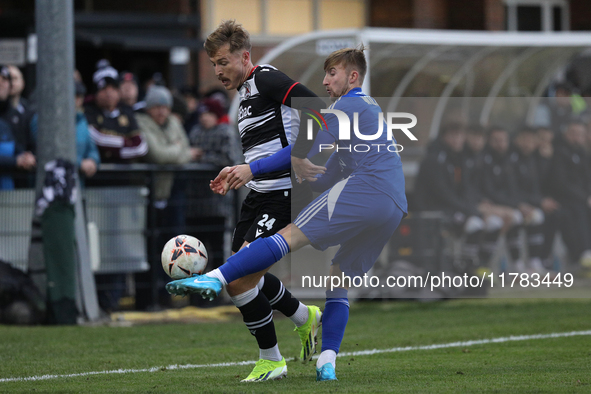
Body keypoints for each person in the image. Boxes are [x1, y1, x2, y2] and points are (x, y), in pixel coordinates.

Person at [167, 46, 408, 382]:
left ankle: (215, 277)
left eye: (332, 73)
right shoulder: (369, 110)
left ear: (353, 77)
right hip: (395, 204)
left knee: (287, 237)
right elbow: (333, 169)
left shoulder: (348, 104)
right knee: (337, 280)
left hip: (367, 189)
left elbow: (306, 142)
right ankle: (327, 361)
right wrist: (312, 174)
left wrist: (254, 168)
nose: (325, 81)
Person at [185, 20, 326, 382]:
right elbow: (263, 151)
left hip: (283, 195)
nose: (217, 71)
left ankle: (272, 360)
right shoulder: (246, 92)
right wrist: (239, 172)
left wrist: (269, 165)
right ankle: (303, 318)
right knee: (247, 275)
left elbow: (317, 110)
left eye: (222, 62)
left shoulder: (264, 78)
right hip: (260, 195)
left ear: (244, 56)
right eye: (213, 64)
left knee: (239, 280)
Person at [549, 120, 591, 272]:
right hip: (565, 200)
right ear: (566, 134)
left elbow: (587, 179)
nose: (577, 138)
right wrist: (585, 197)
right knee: (578, 211)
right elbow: (560, 183)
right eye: (573, 134)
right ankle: (584, 253)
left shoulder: (582, 154)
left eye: (580, 134)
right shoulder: (559, 153)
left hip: (582, 198)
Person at [85, 65, 148, 163]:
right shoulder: (89, 111)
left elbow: (141, 147)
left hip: (124, 174)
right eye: (104, 89)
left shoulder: (127, 112)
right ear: (96, 93)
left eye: (113, 88)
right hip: (98, 172)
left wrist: (116, 152)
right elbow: (95, 138)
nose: (109, 93)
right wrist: (124, 141)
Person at [0, 64, 35, 189]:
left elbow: (17, 146)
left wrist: (26, 157)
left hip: (11, 189)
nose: (3, 85)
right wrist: (16, 161)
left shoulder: (14, 115)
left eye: (5, 80)